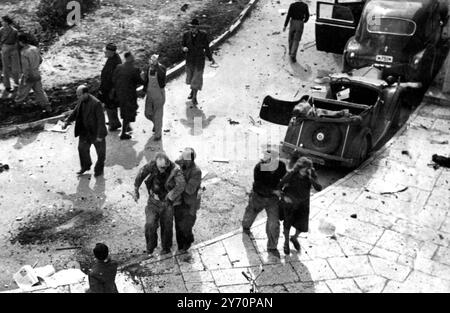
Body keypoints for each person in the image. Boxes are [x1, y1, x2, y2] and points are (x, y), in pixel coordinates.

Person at [133, 152, 186, 255]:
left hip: (167, 204)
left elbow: (181, 184)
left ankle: (166, 249)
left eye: (164, 167)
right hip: (153, 202)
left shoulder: (175, 169)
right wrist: (136, 189)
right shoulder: (152, 164)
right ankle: (150, 248)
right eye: (160, 167)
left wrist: (170, 196)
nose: (162, 170)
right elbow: (141, 173)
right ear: (156, 163)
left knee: (167, 227)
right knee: (149, 225)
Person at [241, 150, 287, 256]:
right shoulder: (259, 168)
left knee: (274, 223)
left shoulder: (281, 166)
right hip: (258, 197)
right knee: (250, 215)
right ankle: (246, 226)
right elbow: (258, 186)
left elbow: (285, 178)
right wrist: (274, 191)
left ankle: (272, 246)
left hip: (273, 200)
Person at [278, 154, 322, 255]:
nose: (305, 171)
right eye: (304, 169)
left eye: (308, 169)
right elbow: (279, 186)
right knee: (287, 223)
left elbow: (319, 188)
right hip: (290, 203)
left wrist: (311, 177)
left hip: (303, 203)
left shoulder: (311, 175)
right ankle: (286, 243)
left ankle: (294, 238)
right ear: (299, 167)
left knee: (302, 226)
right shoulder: (292, 174)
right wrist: (284, 197)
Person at [63, 85, 107, 177]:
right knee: (81, 149)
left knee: (101, 153)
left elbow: (101, 120)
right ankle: (85, 166)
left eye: (79, 95)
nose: (77, 97)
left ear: (86, 93)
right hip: (85, 131)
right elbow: (75, 112)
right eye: (77, 95)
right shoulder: (81, 101)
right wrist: (67, 121)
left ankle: (99, 169)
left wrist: (99, 136)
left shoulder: (96, 103)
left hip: (96, 132)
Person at [182, 18, 216, 106]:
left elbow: (207, 48)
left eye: (194, 27)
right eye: (191, 27)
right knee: (190, 78)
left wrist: (210, 58)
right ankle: (192, 91)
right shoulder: (186, 34)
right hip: (189, 60)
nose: (192, 29)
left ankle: (194, 97)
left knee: (197, 78)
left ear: (197, 27)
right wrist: (184, 48)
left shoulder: (203, 35)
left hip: (199, 60)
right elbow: (183, 44)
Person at [14, 33, 52, 112]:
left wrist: (26, 77)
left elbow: (26, 67)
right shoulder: (35, 48)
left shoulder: (24, 52)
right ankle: (47, 106)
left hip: (29, 75)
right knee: (40, 91)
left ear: (21, 42)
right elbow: (41, 60)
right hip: (37, 73)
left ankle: (17, 106)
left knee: (22, 91)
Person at [174, 148, 202, 253]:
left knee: (186, 226)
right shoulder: (181, 163)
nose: (183, 161)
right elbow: (175, 163)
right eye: (183, 158)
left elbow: (190, 190)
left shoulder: (196, 171)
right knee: (178, 224)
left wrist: (179, 178)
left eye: (186, 159)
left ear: (191, 160)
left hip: (189, 204)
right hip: (179, 201)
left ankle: (188, 241)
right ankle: (180, 245)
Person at [112, 51, 143, 140]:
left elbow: (113, 79)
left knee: (124, 111)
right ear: (129, 57)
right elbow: (141, 81)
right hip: (130, 95)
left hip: (120, 94)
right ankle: (123, 133)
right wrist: (143, 75)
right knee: (128, 113)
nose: (133, 58)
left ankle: (127, 127)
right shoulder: (134, 69)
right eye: (132, 56)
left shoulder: (119, 67)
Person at [142, 54, 167, 141]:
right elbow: (146, 81)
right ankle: (156, 125)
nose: (151, 64)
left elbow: (162, 78)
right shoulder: (148, 68)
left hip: (159, 95)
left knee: (158, 116)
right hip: (149, 94)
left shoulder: (162, 68)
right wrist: (144, 90)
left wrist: (156, 66)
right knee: (147, 113)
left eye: (154, 62)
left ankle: (158, 134)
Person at [99, 43, 122, 131]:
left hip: (111, 89)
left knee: (110, 105)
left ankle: (114, 124)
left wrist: (112, 90)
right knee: (110, 105)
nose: (104, 53)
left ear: (111, 52)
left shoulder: (115, 62)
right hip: (108, 87)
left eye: (106, 52)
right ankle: (114, 121)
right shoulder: (112, 58)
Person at [0, 15, 20, 92]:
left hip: (14, 49)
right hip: (5, 48)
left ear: (7, 22)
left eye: (3, 21)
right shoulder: (1, 30)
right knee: (5, 68)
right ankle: (7, 86)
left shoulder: (15, 31)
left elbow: (17, 42)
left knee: (15, 67)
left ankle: (16, 82)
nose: (1, 22)